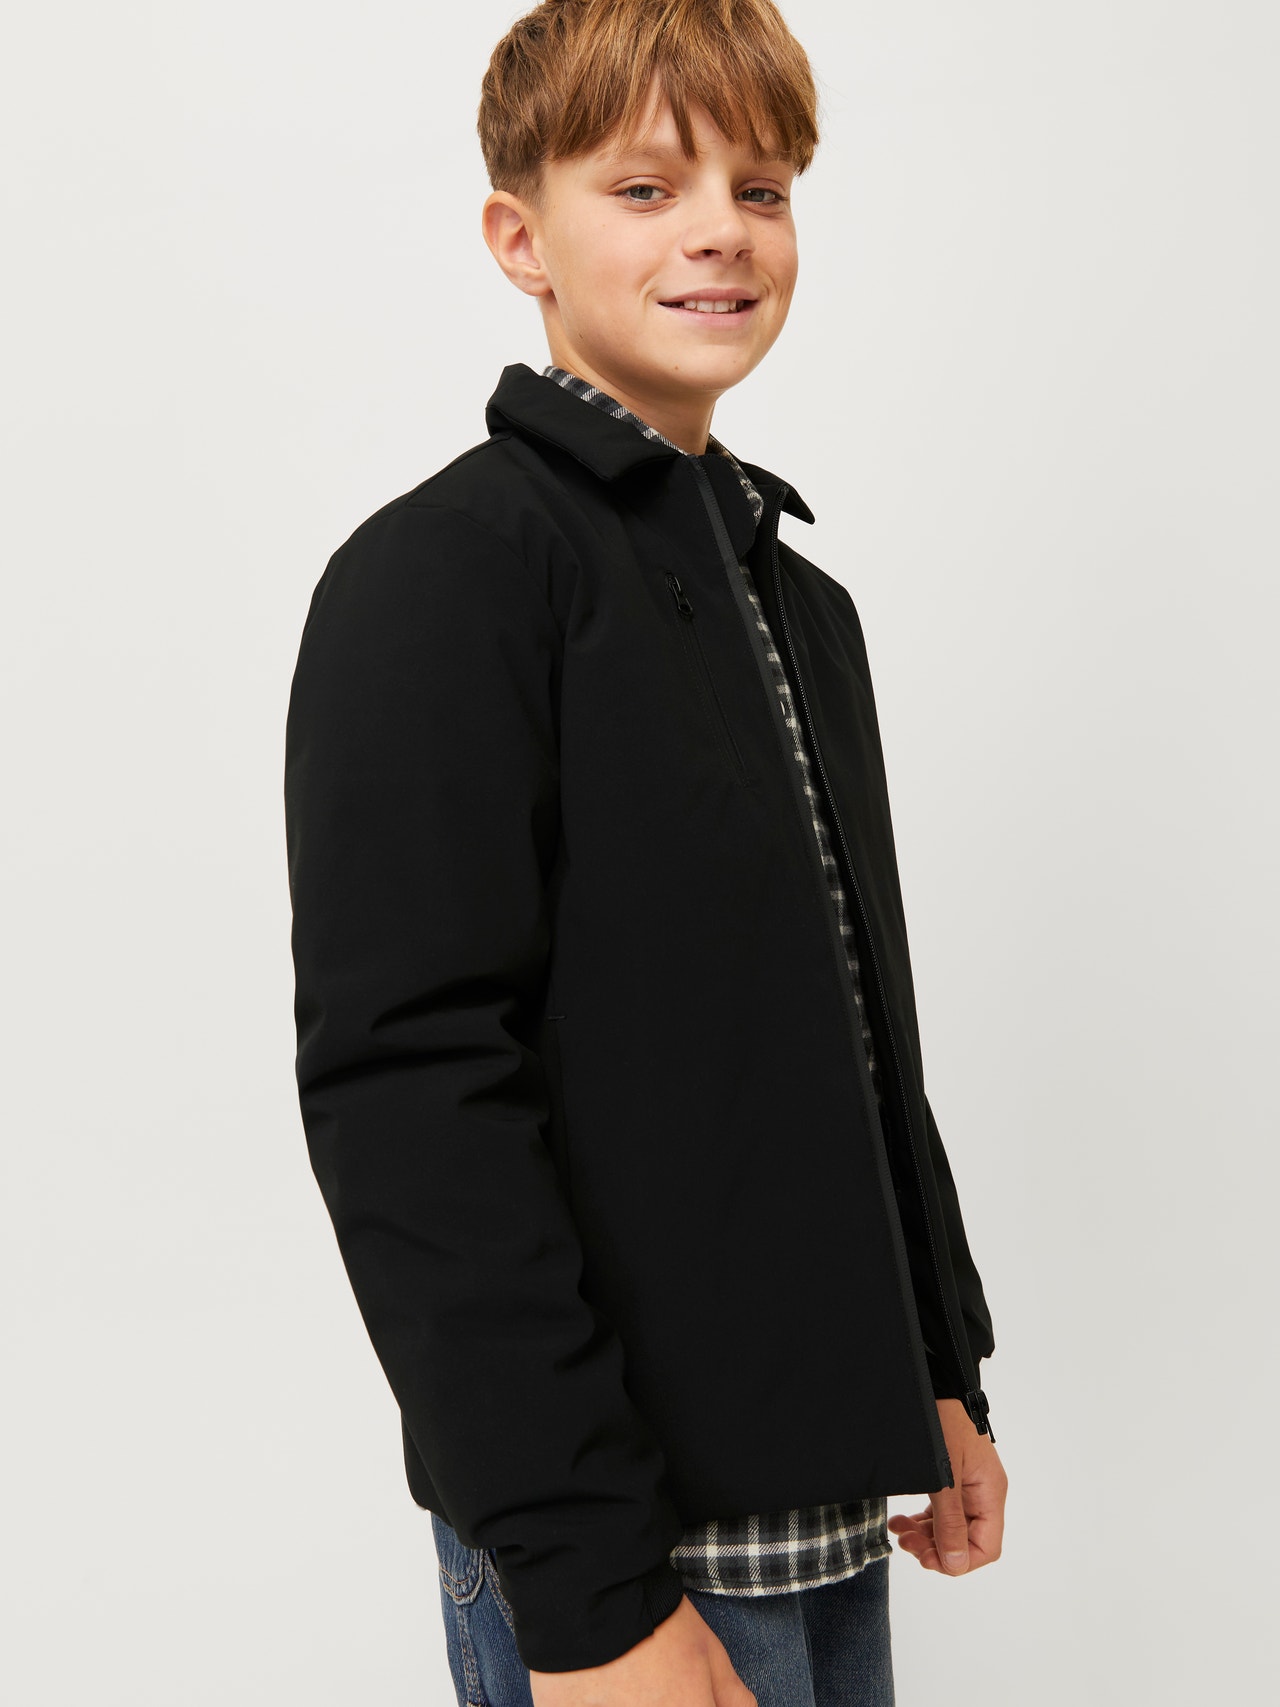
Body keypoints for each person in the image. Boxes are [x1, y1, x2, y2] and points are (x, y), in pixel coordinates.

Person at [282, 3, 1007, 1703]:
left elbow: (849, 1036)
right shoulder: (446, 576)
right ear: (518, 239)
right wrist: (588, 1586)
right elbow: (412, 1099)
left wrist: (936, 1370)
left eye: (762, 189)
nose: (719, 232)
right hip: (629, 1544)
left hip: (822, 1499)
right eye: (645, 186)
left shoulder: (798, 602)